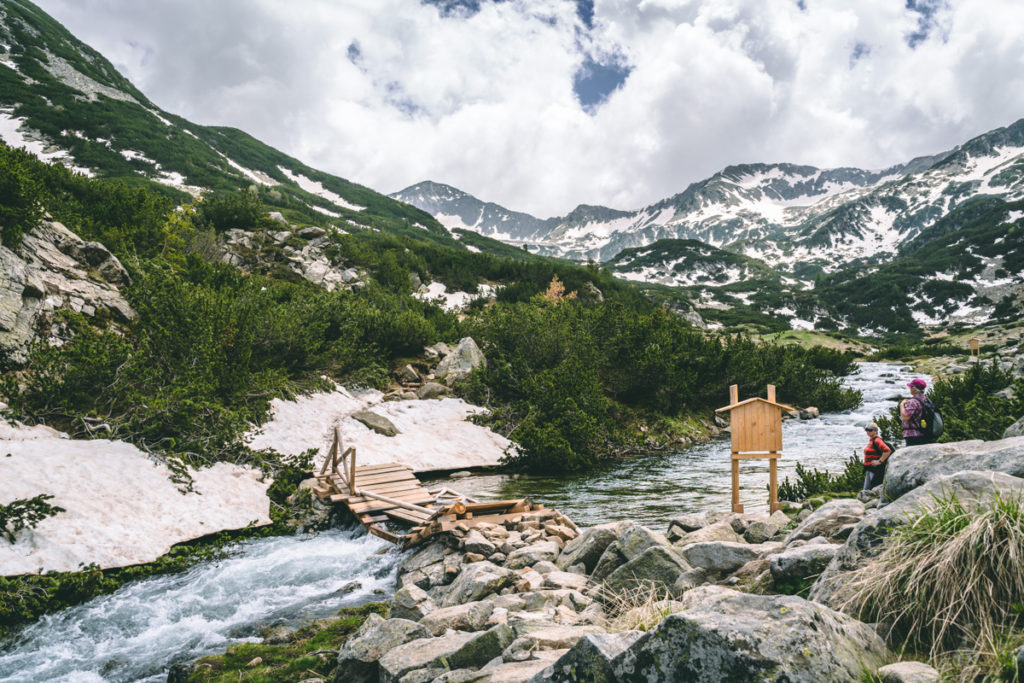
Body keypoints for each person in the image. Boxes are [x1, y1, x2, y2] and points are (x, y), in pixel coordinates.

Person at [900, 378, 931, 446]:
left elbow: (906, 417)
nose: (910, 389)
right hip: (924, 433)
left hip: (913, 435)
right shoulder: (926, 400)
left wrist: (902, 405)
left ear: (914, 388)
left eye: (911, 387)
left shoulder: (913, 401)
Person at [862, 422, 891, 490]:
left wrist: (879, 461)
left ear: (875, 431)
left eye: (870, 430)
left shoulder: (877, 440)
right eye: (866, 429)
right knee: (866, 490)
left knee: (873, 489)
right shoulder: (871, 440)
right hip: (870, 469)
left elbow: (887, 450)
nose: (868, 431)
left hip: (876, 470)